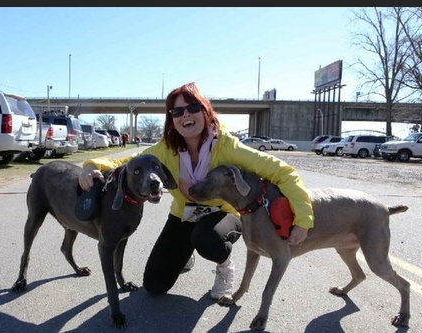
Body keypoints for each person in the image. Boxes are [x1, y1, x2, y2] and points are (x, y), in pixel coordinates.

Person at [78, 82, 314, 299]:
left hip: (223, 215)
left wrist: (303, 218)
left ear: (205, 111)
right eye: (177, 112)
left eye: (192, 108)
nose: (185, 115)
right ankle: (185, 254)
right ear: (172, 120)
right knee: (154, 285)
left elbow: (283, 172)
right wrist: (91, 166)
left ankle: (224, 264)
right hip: (184, 216)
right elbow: (127, 163)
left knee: (207, 239)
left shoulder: (227, 146)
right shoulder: (166, 149)